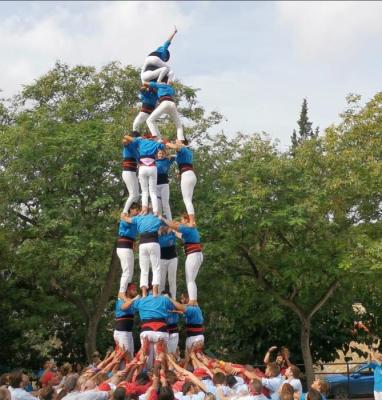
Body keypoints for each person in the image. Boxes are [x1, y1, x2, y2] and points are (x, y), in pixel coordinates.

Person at [122, 134, 171, 215]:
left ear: (145, 138)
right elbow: (165, 146)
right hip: (152, 167)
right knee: (153, 192)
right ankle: (156, 211)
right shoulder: (156, 143)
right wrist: (162, 140)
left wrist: (137, 138)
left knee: (144, 191)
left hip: (143, 168)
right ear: (152, 138)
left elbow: (126, 137)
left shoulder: (141, 141)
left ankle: (144, 210)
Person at [160, 214, 203, 303]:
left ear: (187, 220)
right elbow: (179, 234)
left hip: (193, 255)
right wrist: (174, 229)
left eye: (182, 220)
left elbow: (173, 226)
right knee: (191, 280)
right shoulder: (190, 229)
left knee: (190, 280)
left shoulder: (188, 228)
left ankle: (192, 301)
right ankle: (193, 300)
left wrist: (162, 218)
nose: (181, 221)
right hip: (196, 255)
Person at [121, 211, 162, 297]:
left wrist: (124, 213)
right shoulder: (156, 217)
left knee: (144, 270)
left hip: (143, 244)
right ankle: (154, 291)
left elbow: (125, 219)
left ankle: (144, 293)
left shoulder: (139, 217)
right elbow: (165, 225)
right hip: (153, 242)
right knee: (156, 268)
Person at [134, 291, 175, 368]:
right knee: (163, 354)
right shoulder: (163, 299)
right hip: (161, 330)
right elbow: (172, 307)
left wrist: (140, 299)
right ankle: (164, 371)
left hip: (146, 330)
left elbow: (135, 306)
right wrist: (167, 299)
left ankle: (143, 369)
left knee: (144, 355)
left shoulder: (142, 299)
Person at [165, 141, 196, 225]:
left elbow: (176, 147)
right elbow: (174, 156)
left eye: (177, 141)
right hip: (190, 175)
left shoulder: (184, 149)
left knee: (187, 200)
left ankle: (192, 221)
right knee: (188, 199)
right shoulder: (187, 152)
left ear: (182, 143)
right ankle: (192, 220)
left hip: (186, 175)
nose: (176, 142)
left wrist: (166, 143)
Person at [117, 204, 140, 299]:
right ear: (131, 209)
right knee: (127, 271)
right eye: (136, 210)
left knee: (130, 272)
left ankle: (127, 292)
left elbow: (133, 233)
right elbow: (128, 223)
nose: (138, 212)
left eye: (139, 210)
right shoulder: (125, 218)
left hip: (129, 247)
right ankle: (121, 293)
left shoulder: (136, 221)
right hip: (123, 246)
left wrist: (134, 243)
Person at [114, 284, 140, 358]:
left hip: (128, 332)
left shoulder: (132, 302)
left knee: (130, 354)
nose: (136, 292)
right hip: (121, 332)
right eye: (134, 290)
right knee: (126, 354)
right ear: (128, 290)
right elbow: (123, 307)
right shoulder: (121, 300)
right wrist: (133, 300)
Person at [121, 134, 140, 215]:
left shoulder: (137, 151)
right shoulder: (129, 146)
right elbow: (124, 141)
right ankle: (124, 212)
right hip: (127, 172)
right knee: (132, 195)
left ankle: (132, 212)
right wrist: (132, 139)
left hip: (132, 173)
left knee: (137, 195)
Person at [156, 149, 176, 220]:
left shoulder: (167, 160)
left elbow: (176, 156)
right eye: (159, 153)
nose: (160, 155)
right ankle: (159, 222)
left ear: (164, 154)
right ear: (157, 154)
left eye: (162, 154)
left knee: (165, 205)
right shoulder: (154, 161)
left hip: (164, 184)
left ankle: (170, 221)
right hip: (156, 186)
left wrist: (168, 155)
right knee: (158, 207)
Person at [159, 226, 178, 298]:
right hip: (161, 259)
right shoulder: (158, 234)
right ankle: (160, 298)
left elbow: (178, 229)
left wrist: (172, 228)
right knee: (161, 280)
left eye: (166, 226)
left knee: (172, 280)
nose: (164, 228)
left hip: (172, 259)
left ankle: (173, 298)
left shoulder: (172, 233)